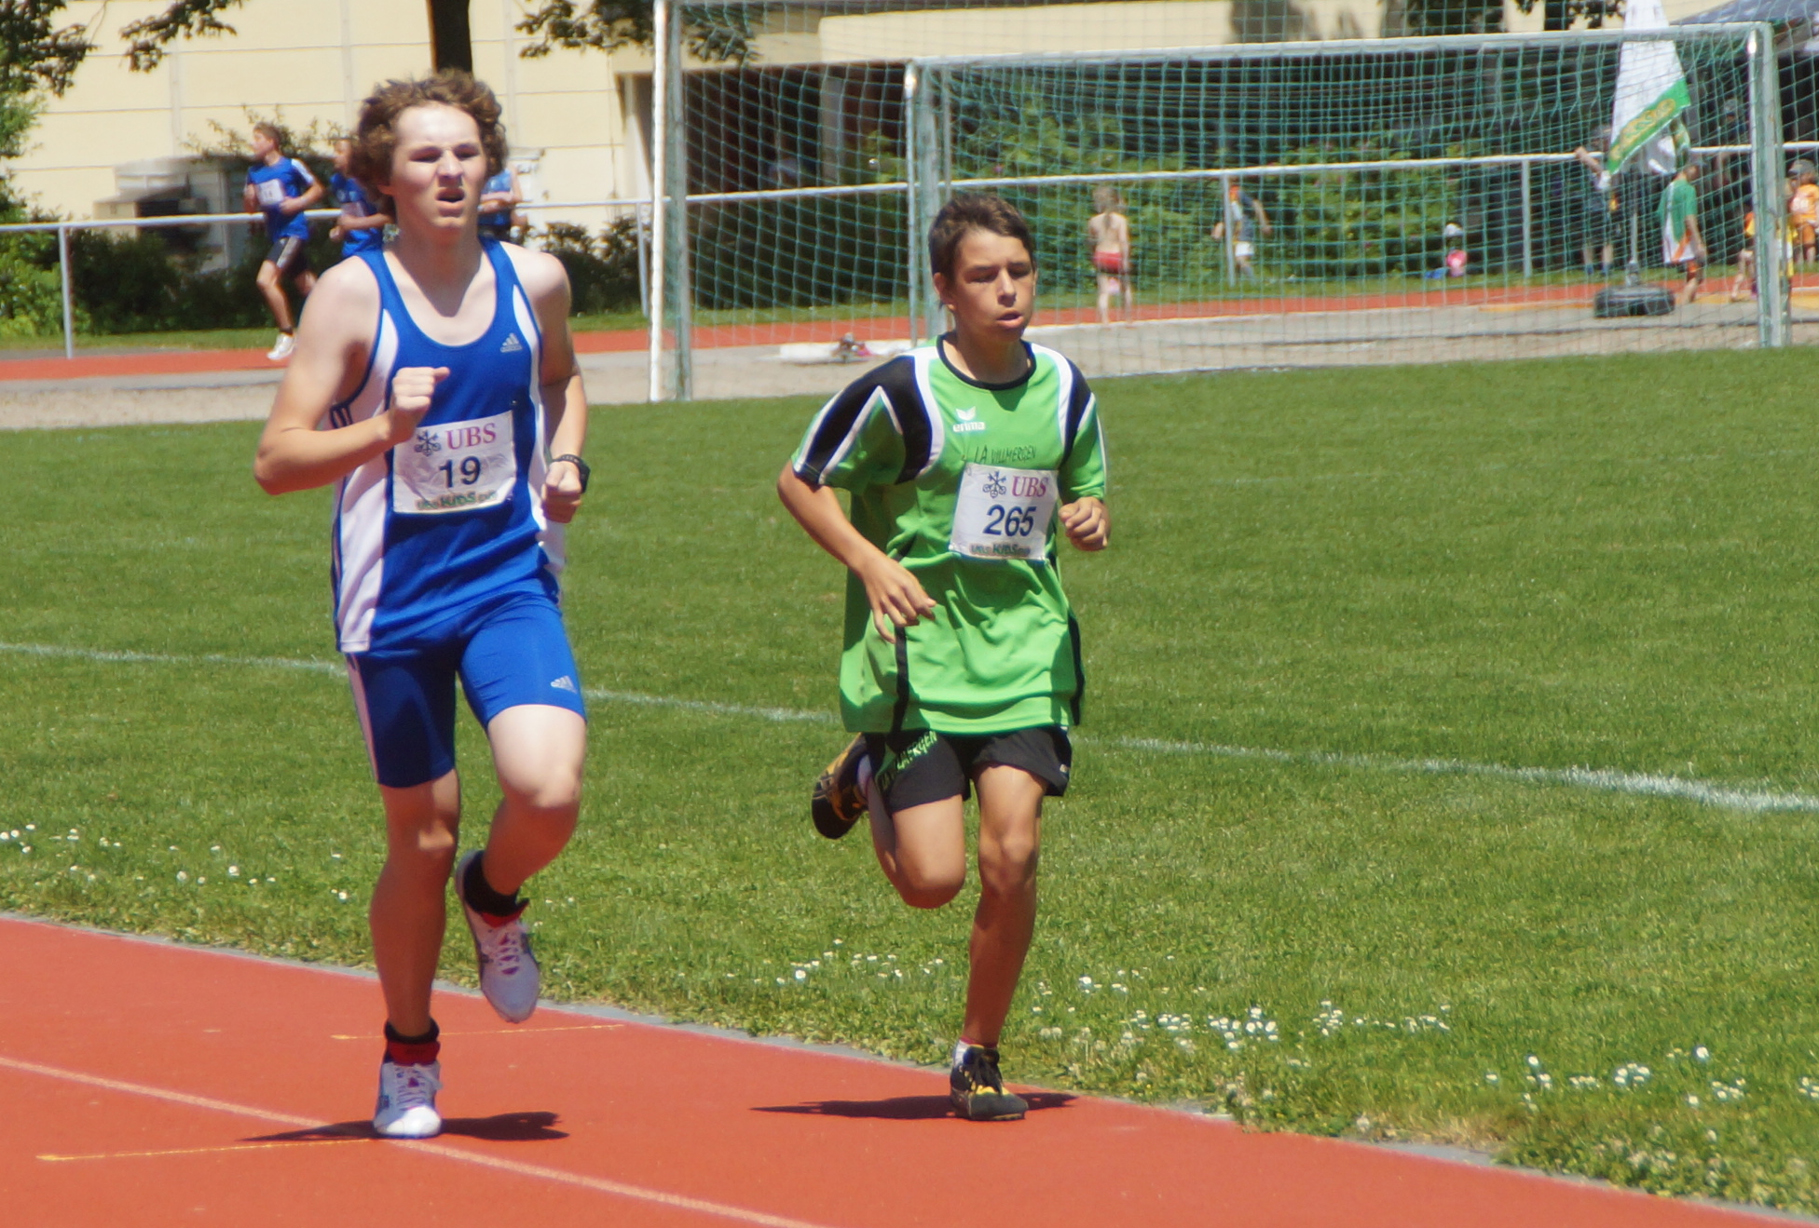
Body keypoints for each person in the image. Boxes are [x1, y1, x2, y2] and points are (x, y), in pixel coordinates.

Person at [252, 71, 591, 1141]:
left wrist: (567, 458)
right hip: (392, 600)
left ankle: (495, 897)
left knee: (547, 789)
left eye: (465, 154)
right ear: (384, 179)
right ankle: (409, 1053)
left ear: (490, 168)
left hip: (507, 579)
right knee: (423, 837)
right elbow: (276, 459)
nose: (450, 172)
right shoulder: (351, 297)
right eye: (425, 157)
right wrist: (380, 432)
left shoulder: (535, 279)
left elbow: (560, 380)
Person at [777, 193, 1109, 1123]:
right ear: (944, 290)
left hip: (1026, 655)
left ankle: (978, 1053)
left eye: (1019, 272)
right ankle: (863, 768)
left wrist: (1089, 517)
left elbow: (1083, 492)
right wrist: (868, 561)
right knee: (931, 883)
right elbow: (800, 481)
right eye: (983, 276)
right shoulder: (902, 391)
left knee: (1014, 851)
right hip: (920, 662)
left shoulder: (1064, 388)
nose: (1007, 290)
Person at [243, 122, 324, 362]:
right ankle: (338, 324)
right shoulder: (254, 172)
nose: (253, 144)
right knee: (308, 286)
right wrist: (249, 198)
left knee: (265, 280)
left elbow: (317, 189)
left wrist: (299, 202)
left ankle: (287, 334)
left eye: (258, 138)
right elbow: (250, 209)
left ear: (271, 142)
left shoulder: (291, 165)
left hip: (292, 232)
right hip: (276, 234)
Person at [328, 137, 388, 262]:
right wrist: (339, 229)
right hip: (350, 249)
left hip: (372, 247)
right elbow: (347, 213)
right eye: (334, 151)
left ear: (353, 155)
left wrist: (356, 223)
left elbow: (388, 216)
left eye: (340, 152)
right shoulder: (336, 181)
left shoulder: (366, 182)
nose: (334, 156)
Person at [1659, 161, 1705, 307]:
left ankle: (1688, 302)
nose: (1698, 173)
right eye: (1697, 168)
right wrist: (1699, 241)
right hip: (1684, 238)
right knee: (1696, 275)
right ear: (1688, 168)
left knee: (1691, 272)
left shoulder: (1668, 189)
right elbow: (1689, 217)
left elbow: (1659, 213)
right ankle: (1684, 307)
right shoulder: (1688, 189)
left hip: (1669, 236)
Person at [1572, 139, 1618, 277]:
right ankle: (1589, 268)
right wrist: (1597, 168)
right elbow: (1579, 151)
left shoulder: (1612, 154)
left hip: (1607, 204)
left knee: (1607, 238)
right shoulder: (1590, 152)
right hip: (1591, 204)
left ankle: (1606, 268)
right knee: (1589, 237)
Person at [1086, 185, 1132, 323]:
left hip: (1101, 255)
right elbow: (1123, 241)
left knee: (1104, 291)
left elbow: (1090, 241)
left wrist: (1092, 255)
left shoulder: (1093, 221)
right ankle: (1128, 319)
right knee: (1125, 288)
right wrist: (1125, 259)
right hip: (1116, 255)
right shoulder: (1121, 220)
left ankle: (1105, 320)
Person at [1211, 180, 1271, 278]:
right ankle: (1237, 284)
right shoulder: (1226, 196)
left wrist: (1264, 223)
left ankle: (1254, 283)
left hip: (1244, 229)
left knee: (1241, 259)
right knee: (1234, 262)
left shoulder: (1237, 192)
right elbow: (1230, 217)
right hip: (1235, 232)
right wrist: (1220, 226)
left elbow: (1256, 204)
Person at [478, 163, 522, 242]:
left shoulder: (509, 169)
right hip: (481, 222)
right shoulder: (477, 169)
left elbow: (518, 197)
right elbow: (470, 197)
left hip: (504, 222)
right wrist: (499, 196)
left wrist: (502, 203)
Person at [1788, 165, 1818, 266]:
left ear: (1808, 175)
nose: (1796, 178)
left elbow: (1817, 204)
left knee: (1809, 243)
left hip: (1807, 219)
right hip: (1795, 220)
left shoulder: (1813, 189)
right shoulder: (1794, 190)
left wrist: (1817, 218)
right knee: (1797, 244)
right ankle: (1799, 264)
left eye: (1799, 175)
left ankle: (1810, 264)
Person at [1730, 207, 1757, 302]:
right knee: (1755, 275)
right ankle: (1754, 293)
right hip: (1752, 252)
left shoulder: (1748, 217)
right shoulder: (1756, 218)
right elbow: (1753, 238)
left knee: (1740, 273)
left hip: (1743, 251)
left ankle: (1734, 293)